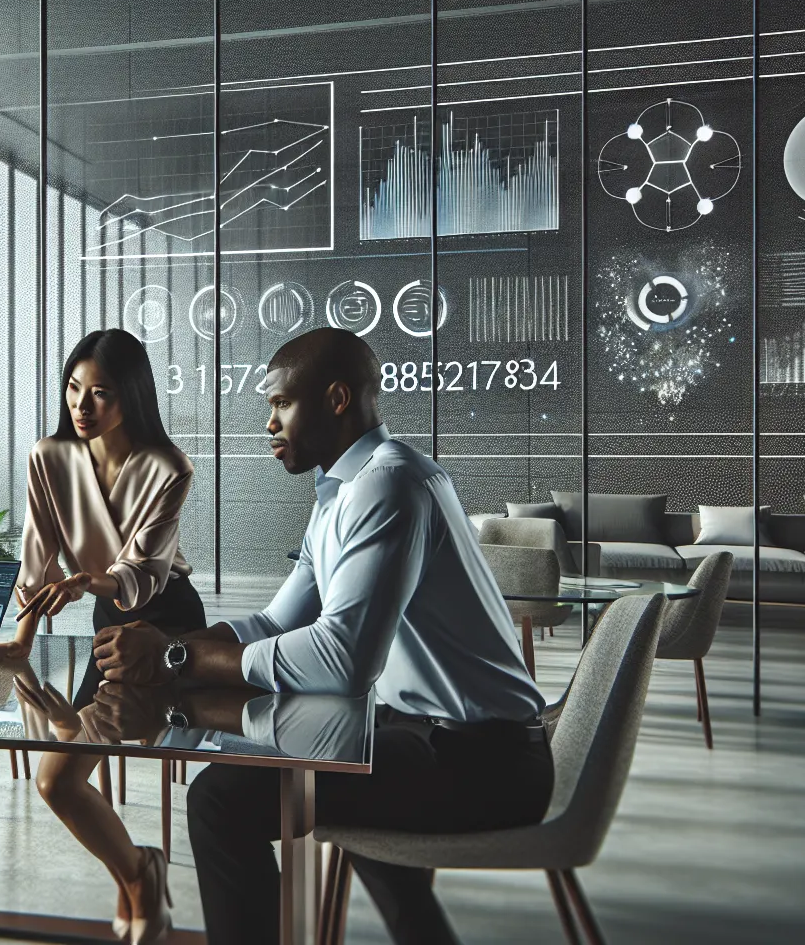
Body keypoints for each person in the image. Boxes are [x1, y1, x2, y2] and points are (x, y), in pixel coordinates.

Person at [91, 327, 551, 945]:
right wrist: (169, 651)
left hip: (482, 764)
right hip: (419, 738)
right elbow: (278, 623)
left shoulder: (391, 485)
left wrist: (176, 656)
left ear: (336, 399)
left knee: (219, 799)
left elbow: (342, 661)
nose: (269, 424)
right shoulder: (339, 494)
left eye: (281, 404)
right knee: (326, 768)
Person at [0, 327, 202, 944]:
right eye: (73, 389)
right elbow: (39, 561)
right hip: (108, 622)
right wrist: (23, 641)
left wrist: (87, 581)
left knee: (58, 777)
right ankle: (139, 871)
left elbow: (142, 572)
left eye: (101, 393)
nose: (81, 406)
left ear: (131, 395)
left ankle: (137, 875)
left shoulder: (169, 467)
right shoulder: (48, 457)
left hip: (164, 622)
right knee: (60, 778)